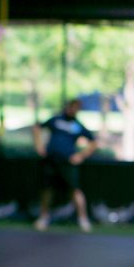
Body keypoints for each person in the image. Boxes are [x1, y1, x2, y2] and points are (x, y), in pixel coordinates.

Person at [32, 98, 98, 233]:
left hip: (67, 162)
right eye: (71, 106)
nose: (72, 109)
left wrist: (81, 155)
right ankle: (44, 217)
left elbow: (93, 142)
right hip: (51, 161)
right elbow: (37, 128)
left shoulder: (77, 125)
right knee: (47, 189)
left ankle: (83, 219)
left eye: (76, 107)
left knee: (74, 189)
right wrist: (39, 145)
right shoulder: (56, 120)